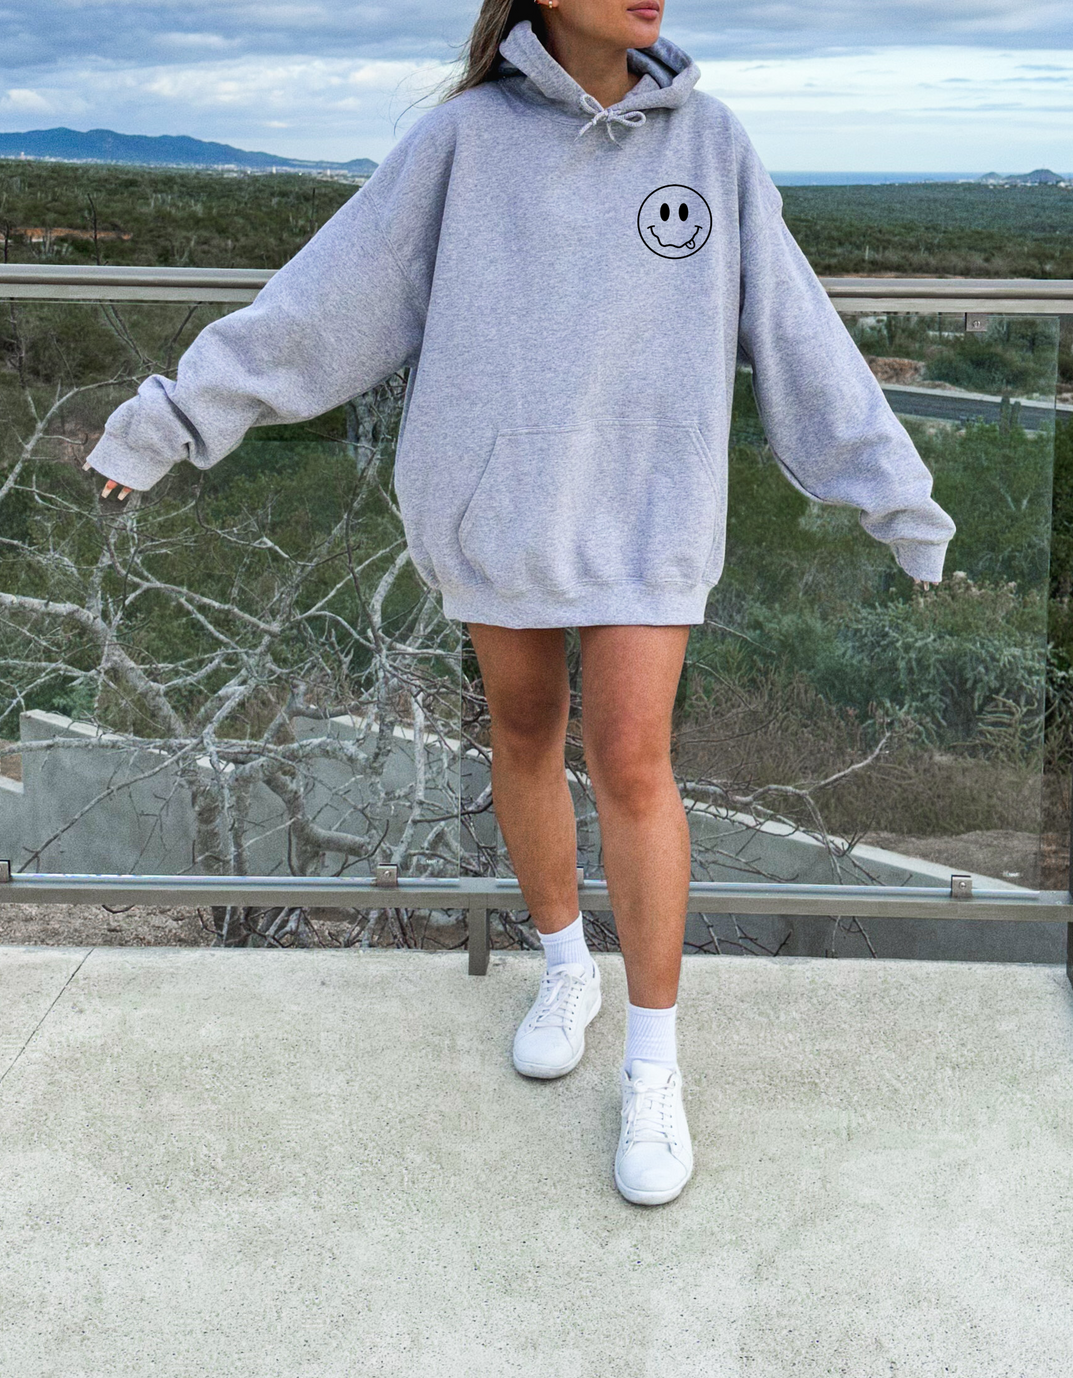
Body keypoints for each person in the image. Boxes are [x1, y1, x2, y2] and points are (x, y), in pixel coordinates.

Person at [83, 0, 955, 1207]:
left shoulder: (709, 144)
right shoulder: (463, 141)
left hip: (649, 508)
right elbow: (327, 303)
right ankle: (563, 964)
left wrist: (894, 497)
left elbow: (797, 334)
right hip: (498, 505)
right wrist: (173, 421)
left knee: (632, 757)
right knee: (524, 730)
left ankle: (652, 1064)